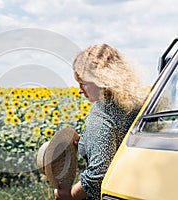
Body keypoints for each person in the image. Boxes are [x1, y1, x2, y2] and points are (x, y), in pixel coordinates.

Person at [54, 44, 147, 200]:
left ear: (101, 79)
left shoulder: (102, 113)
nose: (79, 90)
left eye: (82, 83)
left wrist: (68, 195)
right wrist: (85, 140)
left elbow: (98, 176)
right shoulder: (138, 103)